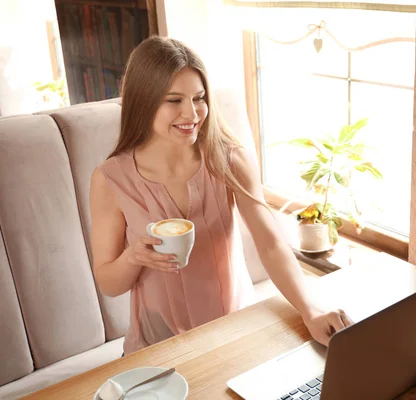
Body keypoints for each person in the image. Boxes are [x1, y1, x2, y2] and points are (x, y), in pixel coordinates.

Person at [90, 36, 352, 355]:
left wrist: (310, 309)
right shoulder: (110, 179)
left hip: (233, 333)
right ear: (143, 101)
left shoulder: (229, 159)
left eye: (199, 98)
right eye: (174, 100)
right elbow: (109, 283)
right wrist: (133, 256)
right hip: (157, 345)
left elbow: (269, 243)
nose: (192, 114)